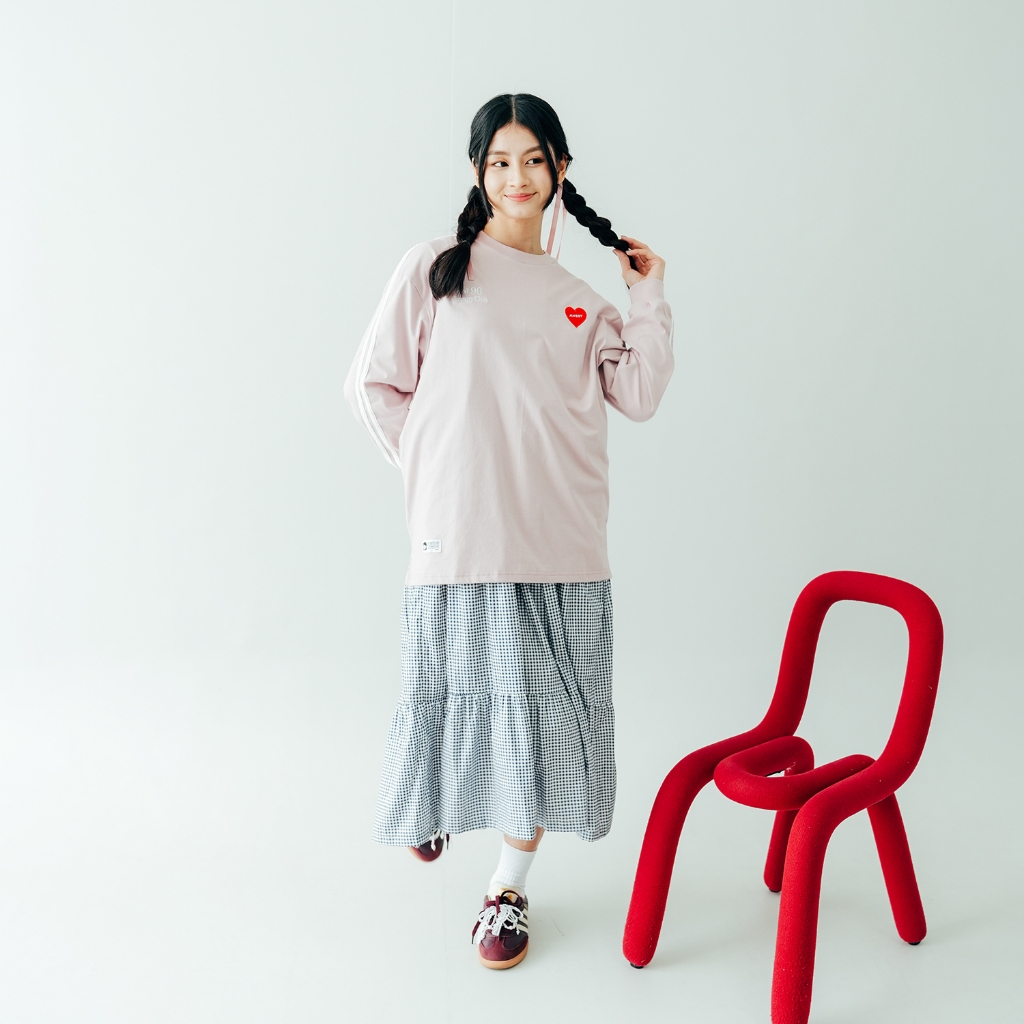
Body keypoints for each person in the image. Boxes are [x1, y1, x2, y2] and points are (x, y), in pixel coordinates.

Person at [344, 93, 673, 970]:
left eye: (533, 160)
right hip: (458, 540)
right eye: (499, 161)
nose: (517, 177)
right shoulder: (436, 269)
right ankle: (437, 804)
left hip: (560, 545)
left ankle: (507, 889)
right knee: (449, 692)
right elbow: (374, 384)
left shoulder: (582, 302)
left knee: (535, 721)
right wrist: (436, 477)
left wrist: (646, 294)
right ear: (477, 172)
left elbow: (640, 394)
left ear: (560, 169)